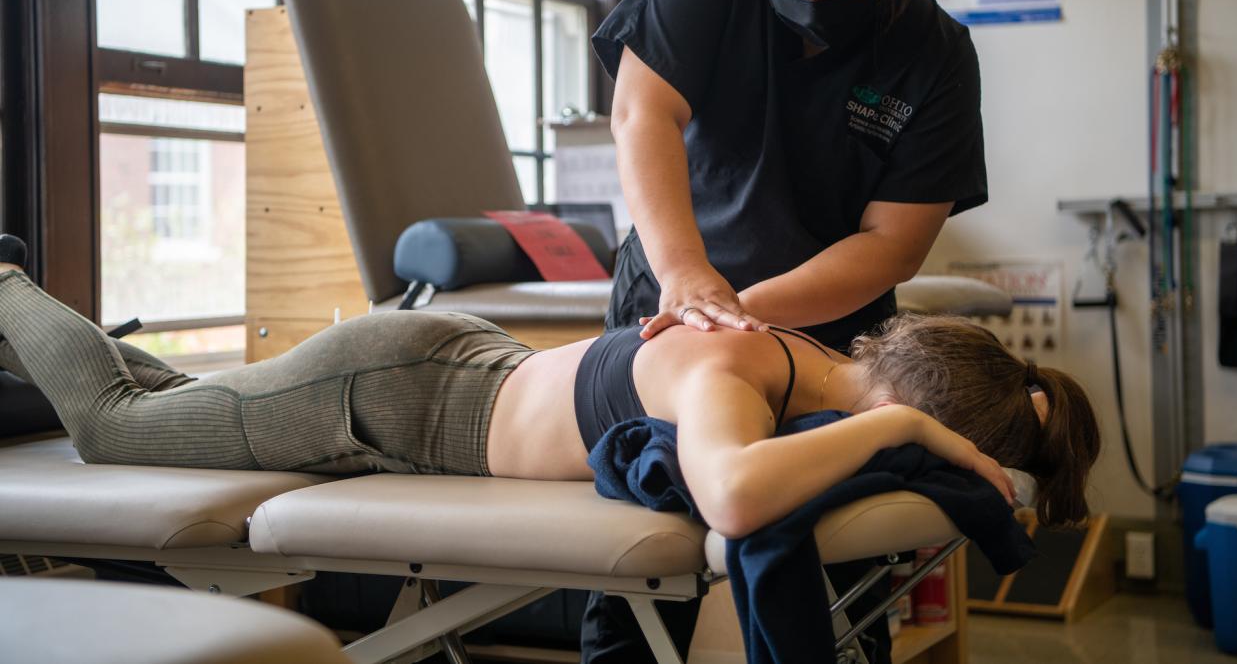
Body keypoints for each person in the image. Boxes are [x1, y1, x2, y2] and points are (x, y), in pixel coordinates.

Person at [0, 235, 1099, 543]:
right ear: (899, 402)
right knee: (113, 426)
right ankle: (6, 279)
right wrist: (905, 431)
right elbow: (732, 498)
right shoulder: (737, 370)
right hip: (392, 392)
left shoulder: (801, 355)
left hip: (444, 370)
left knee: (178, 408)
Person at [590, 0, 987, 659]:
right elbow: (642, 113)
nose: (809, 8)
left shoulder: (934, 53)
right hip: (669, 308)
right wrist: (688, 278)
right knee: (646, 549)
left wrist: (744, 315)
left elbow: (892, 244)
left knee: (838, 569)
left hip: (828, 340)